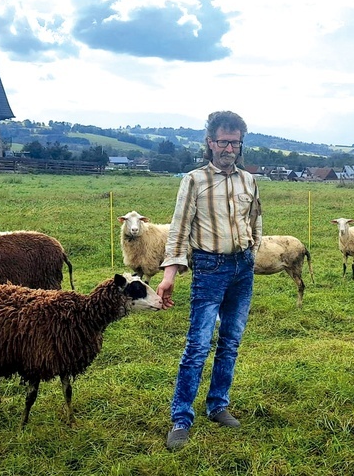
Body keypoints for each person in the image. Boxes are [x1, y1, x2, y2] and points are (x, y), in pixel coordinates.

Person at [157, 110, 262, 451]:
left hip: (242, 269)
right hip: (209, 268)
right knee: (199, 345)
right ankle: (181, 418)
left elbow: (256, 220)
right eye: (222, 141)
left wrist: (251, 250)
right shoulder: (194, 180)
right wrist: (170, 274)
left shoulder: (249, 180)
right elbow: (179, 228)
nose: (228, 148)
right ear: (210, 142)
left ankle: (218, 405)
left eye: (234, 142)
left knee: (230, 341)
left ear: (240, 144)